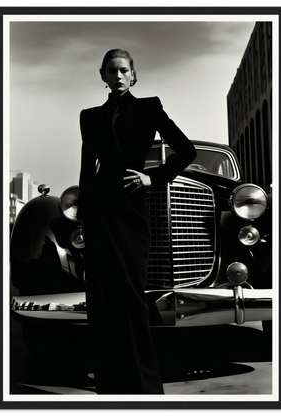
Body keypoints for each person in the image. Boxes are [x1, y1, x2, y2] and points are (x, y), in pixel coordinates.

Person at [77, 49, 196, 394]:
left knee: (131, 298)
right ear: (103, 76)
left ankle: (145, 386)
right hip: (100, 214)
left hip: (131, 211)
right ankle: (110, 385)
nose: (117, 76)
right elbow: (87, 169)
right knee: (103, 299)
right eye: (111, 71)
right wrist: (84, 219)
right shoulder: (89, 116)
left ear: (133, 75)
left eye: (123, 70)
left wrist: (152, 178)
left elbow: (185, 150)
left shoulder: (149, 107)